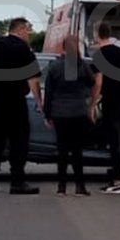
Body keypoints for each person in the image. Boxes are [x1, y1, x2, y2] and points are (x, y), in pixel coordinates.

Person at [0, 17, 43, 195]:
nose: (29, 34)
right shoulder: (24, 49)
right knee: (19, 141)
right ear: (20, 30)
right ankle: (17, 182)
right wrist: (39, 103)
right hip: (14, 101)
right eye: (27, 30)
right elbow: (33, 80)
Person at [44, 35, 96, 195]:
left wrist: (47, 115)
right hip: (78, 112)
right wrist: (85, 96)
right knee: (77, 151)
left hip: (59, 113)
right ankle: (80, 186)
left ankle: (61, 186)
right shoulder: (82, 66)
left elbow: (49, 93)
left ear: (63, 48)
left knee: (62, 151)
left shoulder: (55, 67)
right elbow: (92, 83)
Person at [91, 23, 120, 194]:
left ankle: (116, 178)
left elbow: (98, 82)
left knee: (114, 141)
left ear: (97, 35)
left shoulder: (99, 55)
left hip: (111, 102)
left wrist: (93, 104)